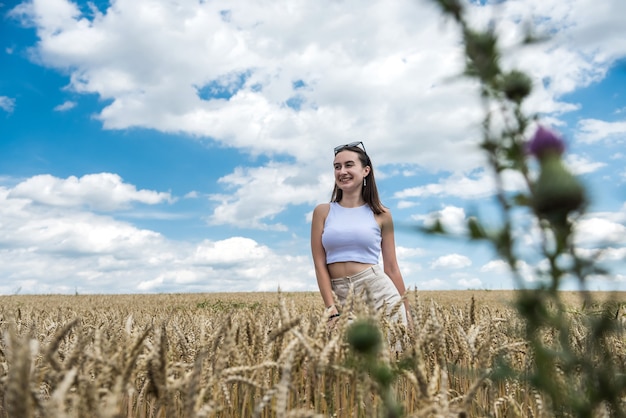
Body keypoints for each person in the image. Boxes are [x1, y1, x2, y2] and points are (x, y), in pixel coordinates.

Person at [311, 141, 410, 326]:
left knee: (393, 354)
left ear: (366, 170)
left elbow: (391, 267)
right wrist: (330, 309)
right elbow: (319, 263)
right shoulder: (322, 212)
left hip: (379, 292)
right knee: (346, 355)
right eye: (337, 167)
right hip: (340, 296)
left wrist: (409, 313)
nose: (342, 171)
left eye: (349, 165)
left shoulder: (382, 214)